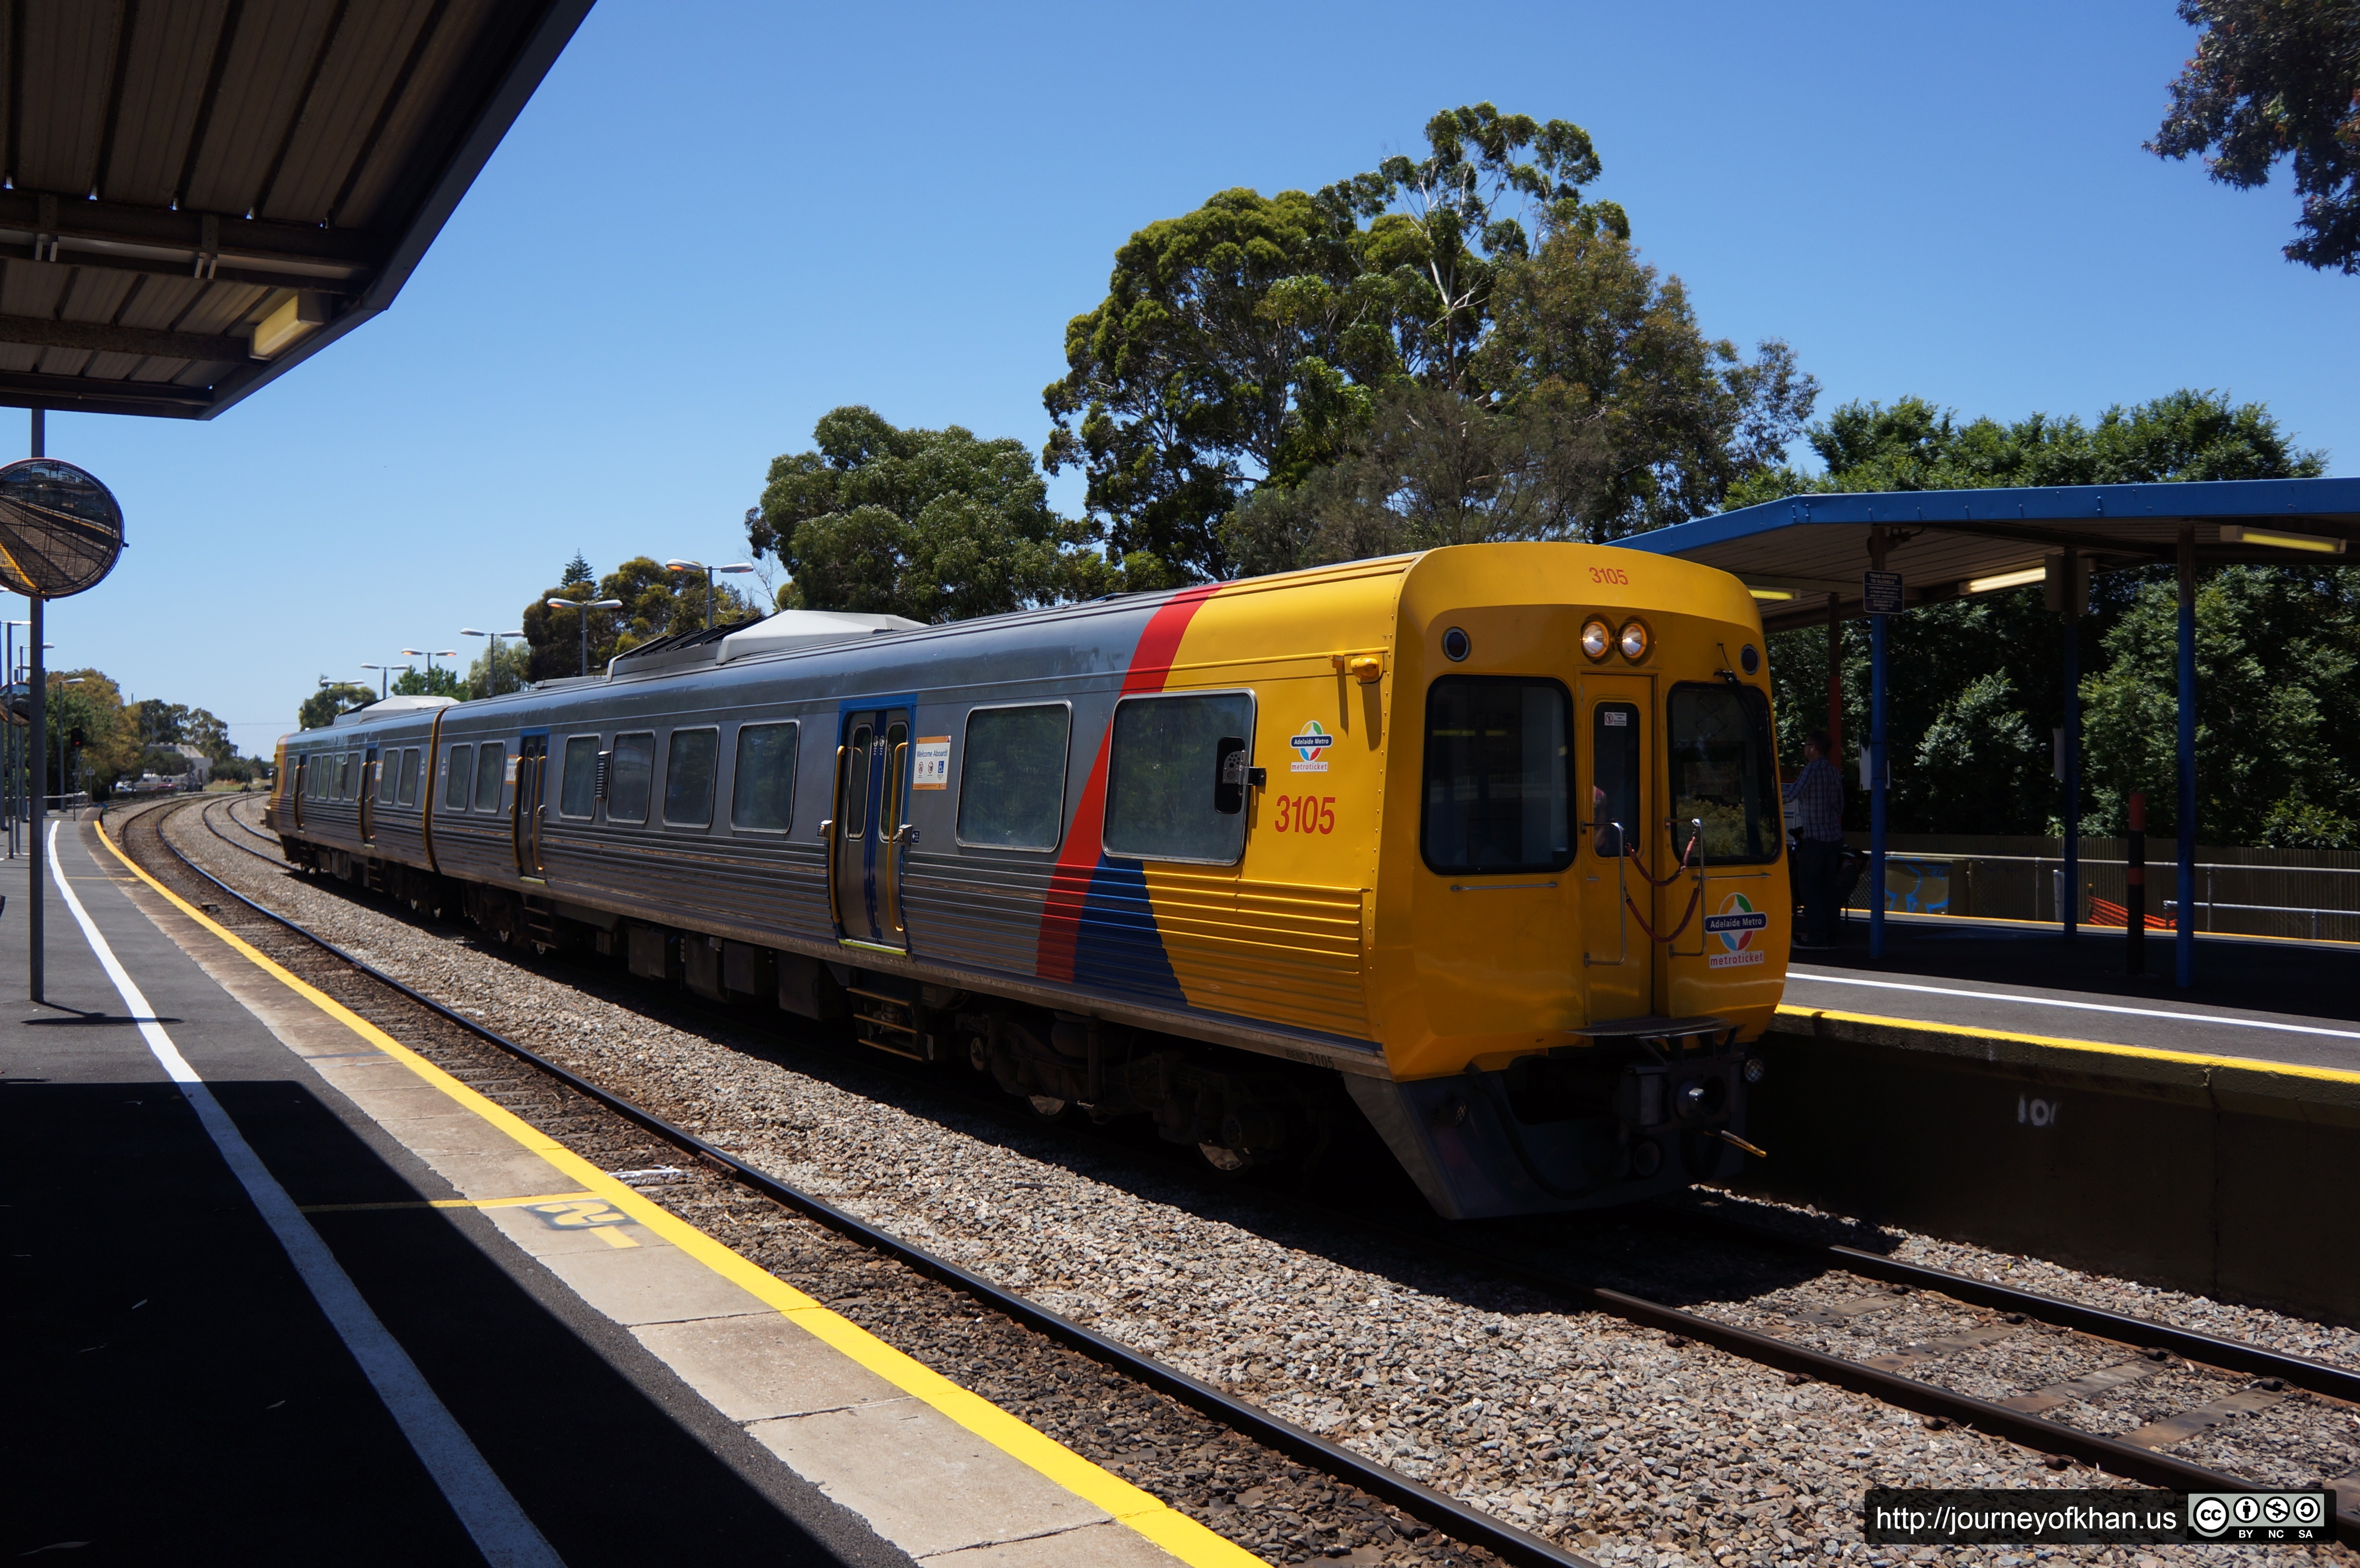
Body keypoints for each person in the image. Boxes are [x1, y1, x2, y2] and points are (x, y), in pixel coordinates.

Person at [1782, 731, 1845, 947]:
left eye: (1806, 745)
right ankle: (1831, 934)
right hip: (1833, 838)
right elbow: (1840, 806)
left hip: (1815, 839)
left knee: (1809, 889)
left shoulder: (1811, 771)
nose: (1804, 749)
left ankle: (1816, 935)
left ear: (1813, 749)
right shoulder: (1833, 771)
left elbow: (1791, 794)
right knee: (1829, 888)